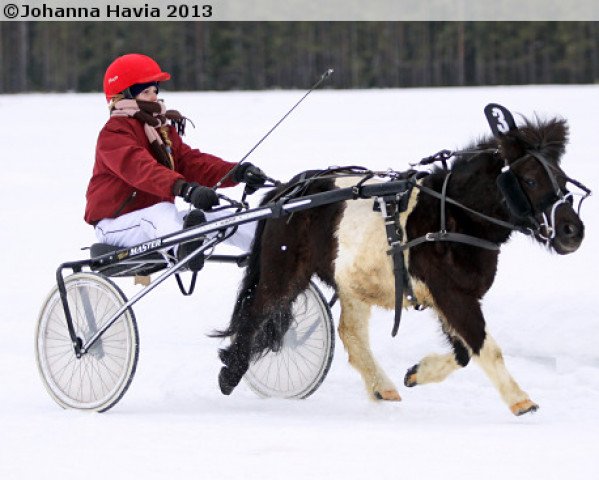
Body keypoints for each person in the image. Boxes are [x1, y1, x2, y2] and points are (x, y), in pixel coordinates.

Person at [84, 53, 268, 263]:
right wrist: (185, 189)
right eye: (145, 92)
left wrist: (237, 172)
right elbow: (142, 169)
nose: (154, 97)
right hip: (116, 225)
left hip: (161, 222)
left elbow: (191, 162)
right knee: (160, 212)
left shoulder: (160, 129)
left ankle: (270, 247)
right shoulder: (114, 134)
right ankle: (184, 249)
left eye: (155, 90)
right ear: (123, 96)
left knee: (218, 213)